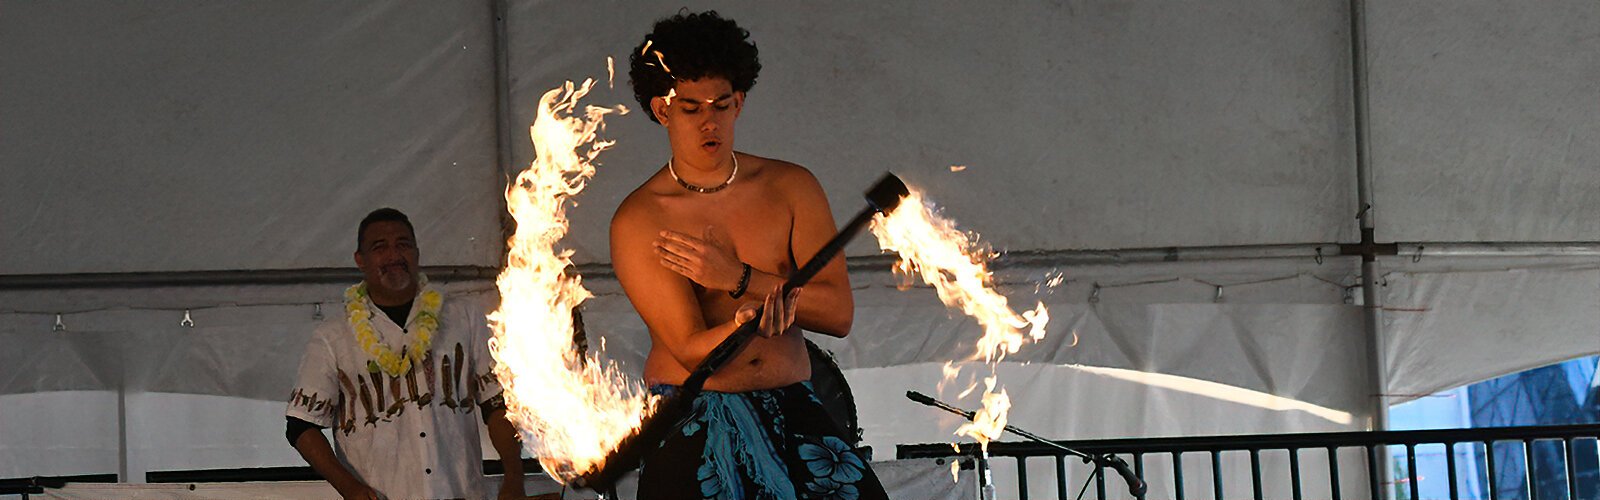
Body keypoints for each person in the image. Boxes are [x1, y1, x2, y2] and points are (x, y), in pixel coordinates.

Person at [611, 11, 889, 499]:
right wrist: (747, 323)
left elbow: (838, 313)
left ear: (739, 102)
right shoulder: (641, 218)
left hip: (794, 407)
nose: (709, 122)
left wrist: (739, 278)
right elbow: (691, 348)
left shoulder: (791, 187)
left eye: (721, 104)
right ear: (662, 110)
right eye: (691, 108)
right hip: (696, 414)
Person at [285, 208, 527, 500]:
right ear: (360, 260)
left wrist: (514, 476)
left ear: (416, 253)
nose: (394, 255)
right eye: (380, 247)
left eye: (403, 244)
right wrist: (350, 488)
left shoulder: (463, 318)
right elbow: (301, 426)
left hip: (461, 493)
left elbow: (497, 405)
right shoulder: (333, 337)